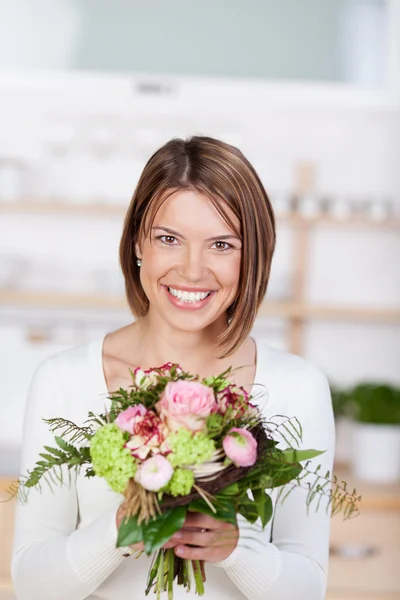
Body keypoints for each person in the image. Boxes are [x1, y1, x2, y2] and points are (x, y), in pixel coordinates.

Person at [11, 136, 335, 600]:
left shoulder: (297, 388)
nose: (192, 270)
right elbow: (32, 587)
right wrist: (119, 532)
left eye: (222, 244)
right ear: (139, 241)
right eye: (169, 239)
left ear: (253, 258)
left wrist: (237, 549)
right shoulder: (64, 381)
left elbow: (308, 589)